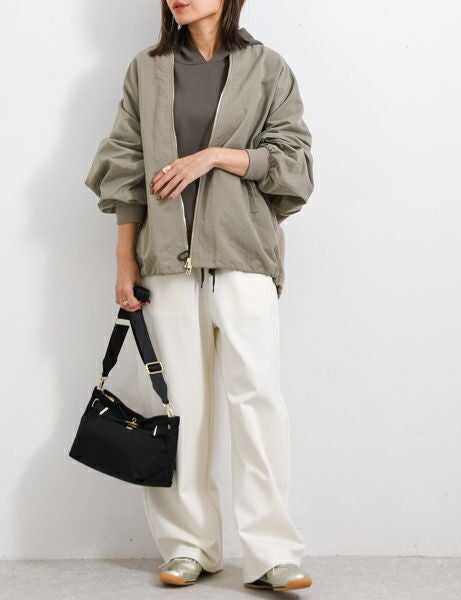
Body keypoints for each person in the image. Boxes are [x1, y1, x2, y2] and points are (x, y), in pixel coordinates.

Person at [84, 0, 315, 592]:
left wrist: (215, 157)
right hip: (165, 262)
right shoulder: (147, 69)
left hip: (242, 256)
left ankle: (271, 553)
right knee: (178, 408)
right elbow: (126, 164)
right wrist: (124, 260)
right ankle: (189, 546)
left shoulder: (267, 67)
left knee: (258, 401)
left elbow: (294, 163)